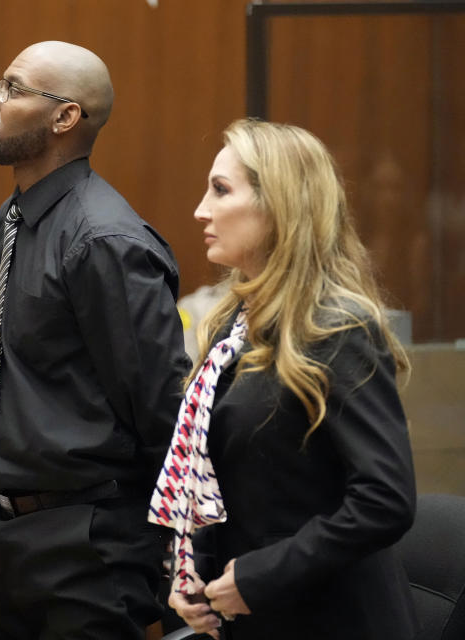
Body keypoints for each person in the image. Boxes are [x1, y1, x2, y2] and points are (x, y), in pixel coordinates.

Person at [156, 118, 417, 639]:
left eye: (221, 190)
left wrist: (257, 577)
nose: (200, 210)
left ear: (279, 206)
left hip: (332, 619)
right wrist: (194, 574)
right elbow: (214, 469)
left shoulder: (336, 325)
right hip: (254, 616)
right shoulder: (235, 322)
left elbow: (385, 500)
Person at [0, 41, 190, 638]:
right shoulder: (12, 219)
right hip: (8, 533)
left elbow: (162, 410)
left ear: (65, 117)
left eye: (13, 89)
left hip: (89, 546)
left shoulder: (104, 240)